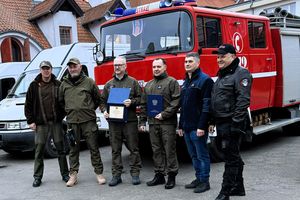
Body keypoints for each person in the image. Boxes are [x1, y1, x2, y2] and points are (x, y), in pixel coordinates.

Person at [210, 44, 252, 200]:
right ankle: (239, 188)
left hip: (232, 123)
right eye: (218, 56)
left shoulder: (241, 74)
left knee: (230, 158)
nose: (219, 59)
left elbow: (243, 100)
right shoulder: (223, 74)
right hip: (221, 122)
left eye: (223, 56)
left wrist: (236, 123)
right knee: (233, 155)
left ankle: (225, 192)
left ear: (233, 56)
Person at [59, 58, 106, 187]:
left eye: (75, 66)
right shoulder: (64, 84)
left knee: (93, 148)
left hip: (88, 122)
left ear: (80, 67)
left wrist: (88, 109)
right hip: (72, 122)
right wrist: (70, 111)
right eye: (70, 67)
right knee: (73, 150)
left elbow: (98, 99)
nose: (72, 69)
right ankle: (73, 175)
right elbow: (61, 101)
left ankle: (99, 173)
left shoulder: (89, 82)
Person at [25, 61, 69, 187]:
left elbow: (64, 101)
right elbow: (28, 105)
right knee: (39, 151)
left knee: (61, 149)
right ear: (40, 70)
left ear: (51, 70)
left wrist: (62, 115)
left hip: (56, 122)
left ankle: (65, 174)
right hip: (40, 124)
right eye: (43, 68)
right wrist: (30, 121)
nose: (46, 71)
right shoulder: (34, 85)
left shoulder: (58, 84)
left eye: (48, 68)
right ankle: (37, 177)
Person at [100, 56, 142, 186]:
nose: (117, 67)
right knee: (115, 149)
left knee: (133, 148)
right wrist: (104, 111)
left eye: (119, 65)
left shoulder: (133, 82)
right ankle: (116, 175)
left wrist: (132, 102)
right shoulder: (108, 84)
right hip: (114, 122)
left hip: (129, 120)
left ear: (125, 66)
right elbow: (102, 101)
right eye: (115, 65)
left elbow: (141, 98)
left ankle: (135, 174)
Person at [140, 58, 180, 189]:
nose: (156, 69)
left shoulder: (172, 82)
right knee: (156, 149)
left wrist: (164, 114)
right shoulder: (148, 85)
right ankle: (159, 175)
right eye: (154, 67)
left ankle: (172, 175)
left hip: (167, 123)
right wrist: (142, 121)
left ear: (165, 67)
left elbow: (176, 102)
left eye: (158, 66)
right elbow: (144, 104)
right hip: (152, 123)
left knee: (169, 149)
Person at [178, 52, 214, 193]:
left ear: (198, 63)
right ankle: (198, 178)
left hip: (197, 128)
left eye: (190, 61)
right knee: (193, 155)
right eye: (186, 62)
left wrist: (202, 126)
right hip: (187, 127)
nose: (187, 64)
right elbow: (183, 106)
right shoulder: (186, 81)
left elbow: (207, 106)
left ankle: (205, 181)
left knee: (202, 155)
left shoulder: (205, 80)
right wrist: (181, 125)